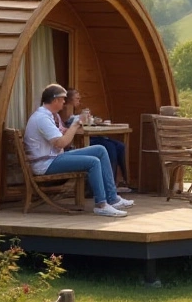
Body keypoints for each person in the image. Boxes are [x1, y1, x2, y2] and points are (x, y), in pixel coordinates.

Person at [25, 83, 134, 217]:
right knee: (93, 162)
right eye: (62, 99)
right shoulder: (42, 118)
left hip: (54, 157)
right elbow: (61, 143)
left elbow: (61, 139)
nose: (64, 102)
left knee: (100, 149)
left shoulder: (50, 116)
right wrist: (76, 125)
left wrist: (74, 125)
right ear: (55, 100)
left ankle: (113, 198)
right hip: (46, 164)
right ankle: (101, 205)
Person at [60, 88, 130, 191]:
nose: (79, 100)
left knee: (120, 146)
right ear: (69, 99)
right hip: (80, 140)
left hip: (89, 136)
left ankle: (122, 180)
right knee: (110, 147)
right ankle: (109, 185)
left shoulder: (74, 110)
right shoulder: (66, 109)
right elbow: (69, 125)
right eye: (77, 97)